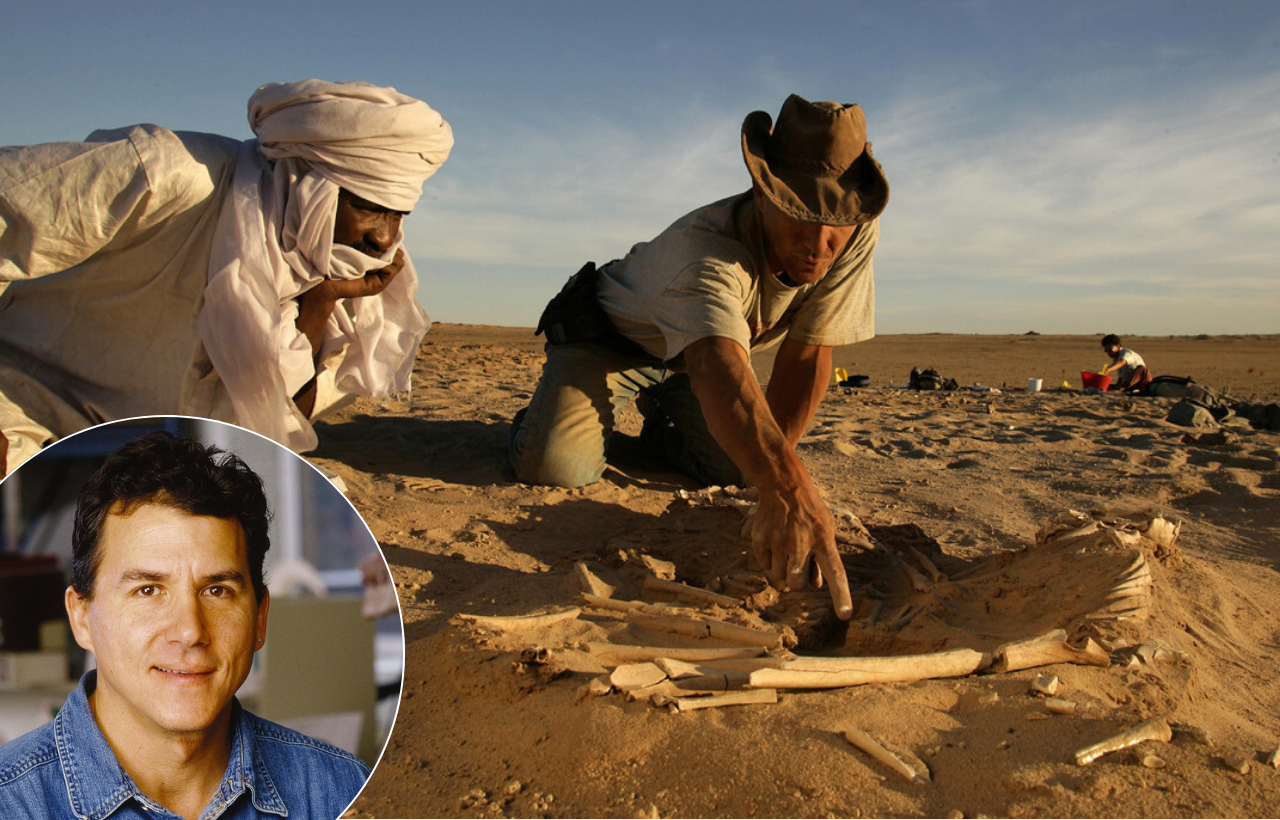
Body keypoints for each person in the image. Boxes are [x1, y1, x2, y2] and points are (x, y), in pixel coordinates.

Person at [509, 94, 889, 620]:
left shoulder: (855, 231)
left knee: (742, 471)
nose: (818, 244)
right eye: (799, 217)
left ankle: (666, 426)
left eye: (834, 225)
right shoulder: (708, 250)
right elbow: (717, 363)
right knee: (557, 467)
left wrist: (775, 485)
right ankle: (540, 418)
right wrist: (787, 486)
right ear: (763, 195)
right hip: (616, 344)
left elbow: (806, 355)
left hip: (698, 363)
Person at [0, 79, 453, 477]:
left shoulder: (341, 269)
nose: (384, 238)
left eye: (399, 215)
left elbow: (279, 427)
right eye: (368, 207)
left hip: (143, 465)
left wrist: (322, 302)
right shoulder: (169, 175)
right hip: (26, 411)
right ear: (307, 184)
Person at [0, 431, 370, 820]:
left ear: (260, 617)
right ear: (81, 618)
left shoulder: (341, 792)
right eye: (148, 590)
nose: (190, 631)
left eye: (217, 590)